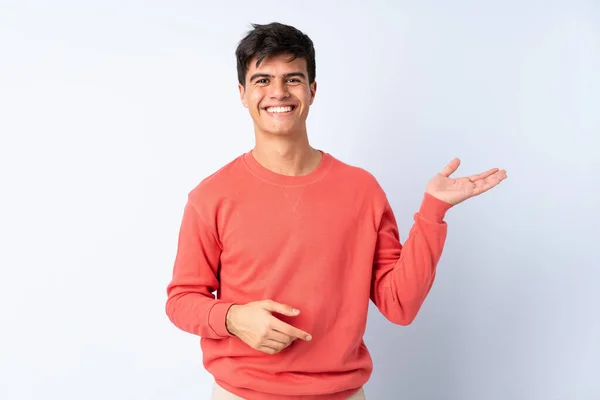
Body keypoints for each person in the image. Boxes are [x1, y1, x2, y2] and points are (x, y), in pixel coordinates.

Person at [165, 22, 507, 400]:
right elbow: (182, 300)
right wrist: (232, 317)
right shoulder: (211, 196)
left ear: (311, 90)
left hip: (342, 394)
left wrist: (432, 212)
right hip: (242, 394)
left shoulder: (361, 190)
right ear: (243, 94)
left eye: (292, 79)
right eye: (262, 80)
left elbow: (399, 304)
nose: (278, 92)